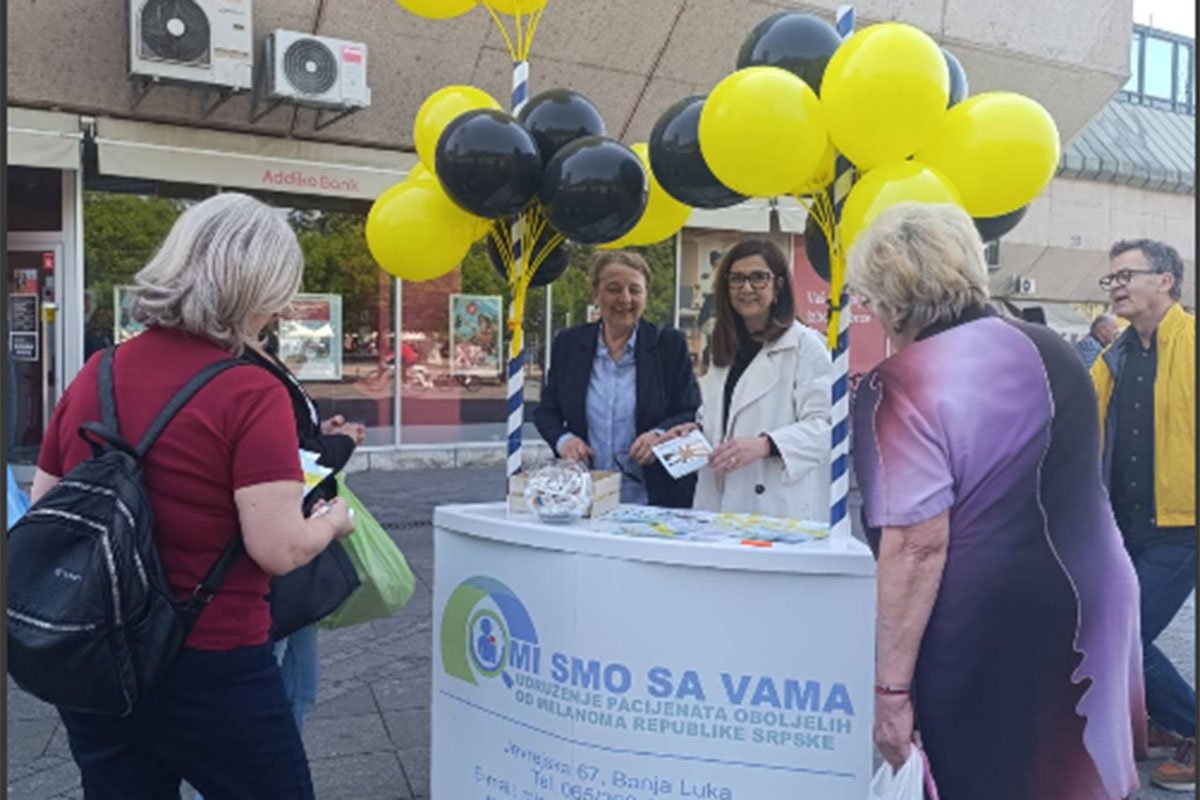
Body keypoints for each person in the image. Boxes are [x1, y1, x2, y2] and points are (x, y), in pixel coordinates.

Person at [30, 193, 354, 799]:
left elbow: (46, 506)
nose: (281, 308)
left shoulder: (98, 371)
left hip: (97, 653)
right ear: (257, 289)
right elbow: (278, 548)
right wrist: (334, 522)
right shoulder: (249, 391)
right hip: (211, 656)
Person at [848, 203, 1144, 799]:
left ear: (889, 296)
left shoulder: (899, 383)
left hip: (986, 618)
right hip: (1095, 596)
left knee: (991, 774)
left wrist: (890, 693)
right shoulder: (1055, 348)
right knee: (1076, 774)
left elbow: (916, 546)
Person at [1092, 238, 1196, 791]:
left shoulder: (1194, 344)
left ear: (1165, 280)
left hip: (1182, 527)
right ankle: (1161, 720)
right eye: (1111, 278)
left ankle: (1190, 725)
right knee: (1107, 630)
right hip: (1122, 526)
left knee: (1124, 637)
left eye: (1126, 275)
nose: (1116, 287)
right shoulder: (1112, 358)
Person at [244, 322, 367, 740]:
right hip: (278, 542)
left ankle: (283, 764)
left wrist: (322, 433)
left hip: (296, 538)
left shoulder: (260, 350)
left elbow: (292, 440)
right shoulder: (239, 362)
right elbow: (288, 454)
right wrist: (342, 443)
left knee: (301, 688)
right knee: (268, 691)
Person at [666, 239, 831, 519]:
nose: (746, 288)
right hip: (718, 496)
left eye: (758, 278)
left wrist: (766, 445)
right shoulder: (723, 347)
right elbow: (725, 416)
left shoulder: (806, 346)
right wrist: (695, 431)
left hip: (775, 506)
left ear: (779, 285)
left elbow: (826, 427)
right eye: (737, 279)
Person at [534, 250, 700, 507]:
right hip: (585, 496)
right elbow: (547, 412)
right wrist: (564, 441)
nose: (625, 298)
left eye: (635, 290)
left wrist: (659, 435)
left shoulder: (668, 345)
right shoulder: (569, 344)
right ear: (595, 294)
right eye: (613, 289)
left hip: (653, 498)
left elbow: (689, 410)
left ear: (646, 295)